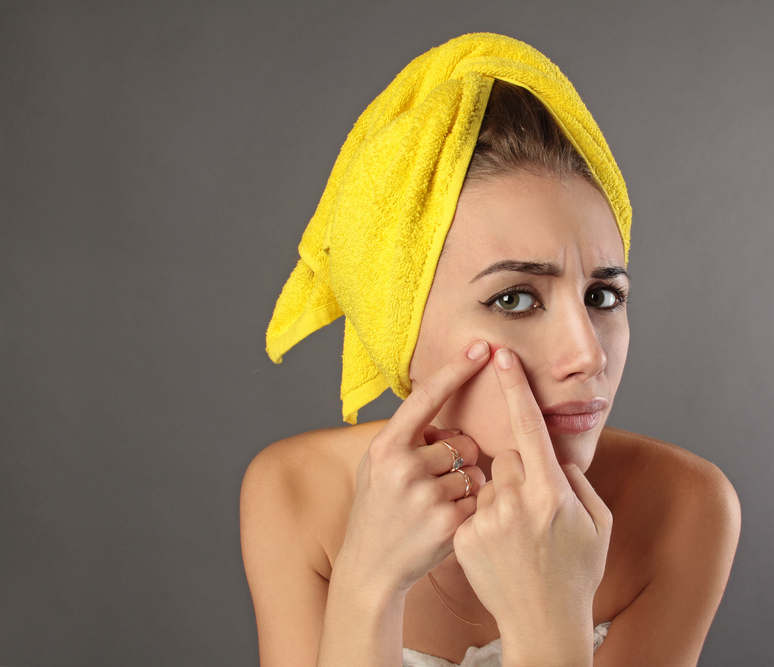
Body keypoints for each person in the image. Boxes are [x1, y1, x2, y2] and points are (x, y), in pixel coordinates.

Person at [240, 33, 740, 667]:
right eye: (514, 298)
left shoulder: (685, 507)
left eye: (602, 296)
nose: (589, 355)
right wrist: (367, 586)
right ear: (399, 328)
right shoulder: (293, 494)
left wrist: (551, 615)